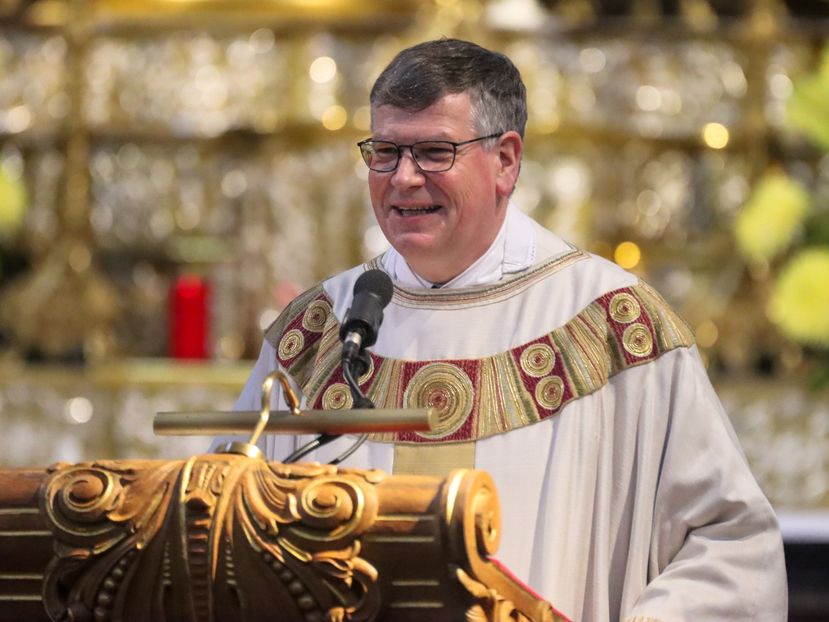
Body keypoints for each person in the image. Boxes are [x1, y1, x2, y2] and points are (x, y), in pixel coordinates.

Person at [230, 38, 787, 621]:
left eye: (434, 152)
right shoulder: (319, 334)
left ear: (506, 161)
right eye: (385, 151)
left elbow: (731, 545)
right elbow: (225, 520)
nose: (404, 178)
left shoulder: (613, 326)